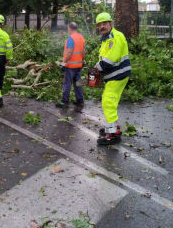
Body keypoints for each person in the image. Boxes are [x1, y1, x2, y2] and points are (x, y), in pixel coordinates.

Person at [93, 12, 131, 145]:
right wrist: (98, 66)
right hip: (114, 75)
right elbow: (104, 57)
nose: (102, 26)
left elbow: (112, 57)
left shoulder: (116, 36)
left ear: (110, 24)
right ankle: (113, 128)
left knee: (108, 102)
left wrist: (98, 68)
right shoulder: (106, 39)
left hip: (118, 75)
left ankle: (113, 135)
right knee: (110, 102)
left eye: (104, 23)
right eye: (100, 24)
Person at [56, 22, 85, 112]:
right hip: (78, 65)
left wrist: (63, 63)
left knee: (67, 83)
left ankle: (65, 102)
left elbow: (69, 52)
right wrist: (82, 60)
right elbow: (83, 51)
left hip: (70, 65)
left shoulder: (71, 38)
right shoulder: (81, 37)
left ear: (70, 28)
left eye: (68, 28)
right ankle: (80, 101)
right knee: (78, 83)